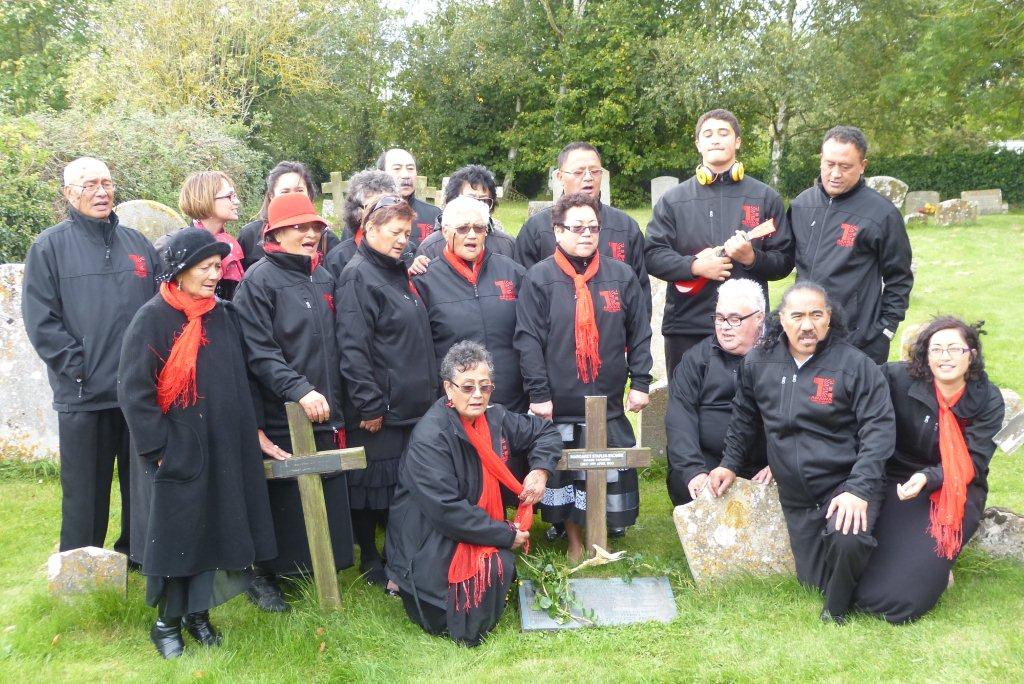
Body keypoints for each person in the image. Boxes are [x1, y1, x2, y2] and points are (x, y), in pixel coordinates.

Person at [117, 228, 276, 659]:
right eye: (204, 268)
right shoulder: (152, 319)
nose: (213, 275)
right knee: (179, 535)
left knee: (213, 530)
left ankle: (197, 615)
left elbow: (242, 380)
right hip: (176, 450)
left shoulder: (223, 315)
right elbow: (134, 391)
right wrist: (159, 449)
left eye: (217, 267)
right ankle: (166, 624)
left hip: (222, 445)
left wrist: (251, 431)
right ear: (179, 271)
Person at [709, 281, 895, 624]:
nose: (807, 325)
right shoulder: (758, 362)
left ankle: (835, 614)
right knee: (815, 581)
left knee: (848, 539)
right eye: (797, 316)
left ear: (829, 318)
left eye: (816, 315)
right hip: (797, 499)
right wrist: (729, 464)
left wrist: (858, 489)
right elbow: (744, 417)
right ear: (781, 319)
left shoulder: (855, 365)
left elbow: (879, 429)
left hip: (843, 485)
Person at [22, 156, 159, 558]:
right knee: (85, 491)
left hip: (137, 391)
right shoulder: (49, 247)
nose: (101, 192)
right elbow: (40, 320)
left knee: (142, 485)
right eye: (89, 185)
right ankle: (81, 565)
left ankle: (140, 556)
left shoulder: (137, 244)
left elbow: (159, 309)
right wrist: (77, 367)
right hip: (83, 393)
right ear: (69, 194)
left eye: (106, 183)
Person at [385, 341, 561, 646]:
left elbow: (545, 432)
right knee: (473, 598)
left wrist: (540, 470)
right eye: (467, 387)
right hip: (431, 540)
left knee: (498, 565)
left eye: (485, 386)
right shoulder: (431, 436)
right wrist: (505, 534)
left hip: (464, 525)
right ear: (448, 389)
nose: (477, 395)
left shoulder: (495, 418)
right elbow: (447, 510)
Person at [233, 193, 354, 611]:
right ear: (275, 234)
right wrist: (299, 389)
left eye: (314, 227)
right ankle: (265, 576)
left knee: (320, 494)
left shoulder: (323, 277)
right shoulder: (258, 282)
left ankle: (315, 568)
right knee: (282, 499)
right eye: (298, 227)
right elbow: (259, 352)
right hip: (281, 412)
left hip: (327, 410)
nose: (309, 234)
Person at [515, 192, 653, 560]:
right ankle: (574, 539)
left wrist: (641, 382)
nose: (587, 234)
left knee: (603, 471)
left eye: (593, 227)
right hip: (560, 401)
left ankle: (602, 533)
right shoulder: (539, 278)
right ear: (558, 231)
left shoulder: (621, 276)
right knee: (568, 472)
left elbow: (639, 332)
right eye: (577, 228)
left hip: (607, 400)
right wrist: (539, 394)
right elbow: (528, 340)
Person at [855, 317, 1004, 623]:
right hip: (898, 480)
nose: (945, 357)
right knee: (864, 566)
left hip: (957, 486)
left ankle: (937, 569)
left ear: (971, 354)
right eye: (936, 349)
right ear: (925, 354)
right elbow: (853, 387)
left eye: (954, 349)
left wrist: (929, 476)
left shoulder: (987, 398)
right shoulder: (897, 378)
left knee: (903, 597)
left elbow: (974, 461)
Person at [336, 194, 438, 590]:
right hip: (381, 407)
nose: (402, 240)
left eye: (407, 233)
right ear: (370, 229)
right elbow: (353, 346)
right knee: (372, 486)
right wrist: (370, 403)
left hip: (411, 403)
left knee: (400, 487)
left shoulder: (396, 271)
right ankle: (369, 556)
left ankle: (400, 554)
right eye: (395, 232)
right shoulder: (358, 276)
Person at [645, 109, 793, 378]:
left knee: (748, 402)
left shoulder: (765, 197)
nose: (715, 139)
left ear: (737, 141)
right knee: (685, 401)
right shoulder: (673, 200)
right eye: (708, 134)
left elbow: (784, 260)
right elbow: (653, 255)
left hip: (747, 327)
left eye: (723, 133)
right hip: (687, 327)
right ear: (698, 144)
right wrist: (695, 266)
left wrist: (752, 259)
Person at [786, 125, 913, 364]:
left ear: (862, 165)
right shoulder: (801, 205)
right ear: (821, 160)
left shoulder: (881, 214)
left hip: (860, 341)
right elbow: (783, 260)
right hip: (805, 335)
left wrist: (885, 330)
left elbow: (899, 277)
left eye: (845, 167)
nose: (835, 174)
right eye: (829, 164)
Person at [415, 197, 528, 413]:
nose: (472, 235)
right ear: (445, 232)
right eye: (463, 228)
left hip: (512, 403)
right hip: (455, 405)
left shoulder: (513, 272)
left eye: (479, 228)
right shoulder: (425, 280)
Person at [665, 278, 771, 506]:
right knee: (687, 483)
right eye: (720, 318)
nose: (724, 327)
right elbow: (680, 417)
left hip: (766, 462)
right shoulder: (696, 359)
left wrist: (780, 465)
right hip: (709, 460)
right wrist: (693, 470)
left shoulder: (780, 356)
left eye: (735, 319)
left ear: (759, 317)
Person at [514, 142, 651, 314]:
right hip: (555, 326)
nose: (588, 178)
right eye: (579, 172)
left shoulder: (625, 227)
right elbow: (524, 294)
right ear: (560, 177)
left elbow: (641, 292)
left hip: (613, 327)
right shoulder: (536, 229)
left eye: (595, 171)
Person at [237, 161, 340, 270]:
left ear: (309, 194)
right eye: (285, 192)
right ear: (271, 196)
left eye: (299, 191)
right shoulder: (250, 236)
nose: (292, 197)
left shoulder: (326, 239)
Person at [325, 169, 427, 279]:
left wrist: (416, 273)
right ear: (357, 213)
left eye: (389, 207)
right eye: (374, 207)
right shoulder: (338, 259)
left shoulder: (407, 249)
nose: (382, 213)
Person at [415, 164, 515, 261]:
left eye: (484, 201)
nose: (476, 206)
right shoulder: (431, 247)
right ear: (452, 201)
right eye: (470, 199)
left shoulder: (506, 245)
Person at [176, 171, 246, 300]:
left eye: (234, 196)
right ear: (206, 200)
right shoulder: (182, 247)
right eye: (229, 196)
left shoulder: (230, 244)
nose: (237, 202)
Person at [376, 148, 441, 247]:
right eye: (397, 169)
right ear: (380, 173)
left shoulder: (434, 214)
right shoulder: (370, 213)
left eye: (410, 169)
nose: (406, 175)